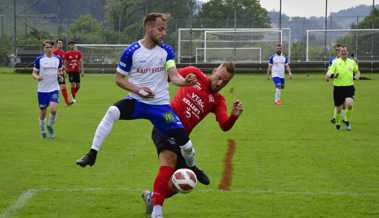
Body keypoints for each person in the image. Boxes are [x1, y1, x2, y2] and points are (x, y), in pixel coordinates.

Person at [76, 13, 202, 195]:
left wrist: (184, 82)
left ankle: (193, 168)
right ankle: (92, 153)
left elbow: (173, 75)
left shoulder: (167, 51)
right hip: (136, 102)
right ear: (148, 28)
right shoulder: (131, 51)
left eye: (165, 29)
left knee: (186, 145)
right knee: (112, 111)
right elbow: (119, 79)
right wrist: (138, 90)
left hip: (161, 108)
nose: (164, 33)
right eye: (160, 29)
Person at [142, 63, 244, 218]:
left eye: (225, 82)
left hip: (182, 139)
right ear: (215, 70)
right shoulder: (193, 73)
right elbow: (169, 76)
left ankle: (152, 197)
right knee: (169, 161)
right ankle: (157, 212)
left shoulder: (217, 100)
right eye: (219, 78)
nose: (219, 84)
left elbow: (224, 125)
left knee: (184, 181)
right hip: (166, 121)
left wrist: (234, 115)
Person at [32, 40, 63, 138]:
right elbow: (33, 73)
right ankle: (42, 129)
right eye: (47, 47)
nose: (49, 49)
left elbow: (60, 70)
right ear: (44, 48)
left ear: (53, 48)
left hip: (54, 88)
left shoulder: (58, 59)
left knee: (53, 109)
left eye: (50, 47)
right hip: (42, 90)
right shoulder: (39, 60)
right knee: (43, 112)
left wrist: (61, 75)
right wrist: (37, 77)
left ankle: (50, 125)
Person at [325, 46, 360, 130]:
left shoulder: (352, 62)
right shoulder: (335, 62)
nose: (344, 52)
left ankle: (347, 121)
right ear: (339, 53)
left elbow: (357, 71)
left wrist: (357, 76)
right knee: (339, 109)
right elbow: (328, 74)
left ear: (347, 52)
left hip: (349, 87)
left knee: (349, 104)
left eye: (345, 51)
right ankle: (337, 123)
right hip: (338, 88)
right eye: (342, 51)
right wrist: (332, 76)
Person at [52, 39, 73, 106]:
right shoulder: (54, 52)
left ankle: (67, 102)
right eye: (59, 43)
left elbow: (64, 63)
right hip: (54, 73)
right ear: (56, 44)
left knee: (63, 86)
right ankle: (53, 100)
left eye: (61, 43)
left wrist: (64, 71)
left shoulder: (64, 53)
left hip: (61, 72)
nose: (60, 44)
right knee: (54, 87)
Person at [327, 44, 342, 124]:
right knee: (338, 102)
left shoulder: (348, 60)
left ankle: (341, 117)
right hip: (337, 84)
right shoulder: (332, 60)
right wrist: (329, 76)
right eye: (336, 50)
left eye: (339, 50)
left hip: (347, 85)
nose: (338, 51)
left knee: (345, 103)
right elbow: (329, 71)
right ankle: (334, 117)